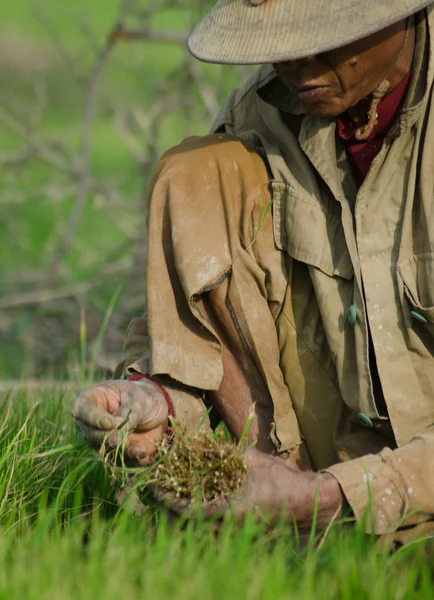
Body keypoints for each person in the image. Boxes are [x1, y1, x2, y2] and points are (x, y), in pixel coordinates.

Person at [73, 0, 434, 543]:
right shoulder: (263, 112)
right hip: (314, 466)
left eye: (322, 36)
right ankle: (273, 510)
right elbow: (196, 308)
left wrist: (335, 496)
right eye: (281, 40)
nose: (297, 61)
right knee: (199, 173)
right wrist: (159, 399)